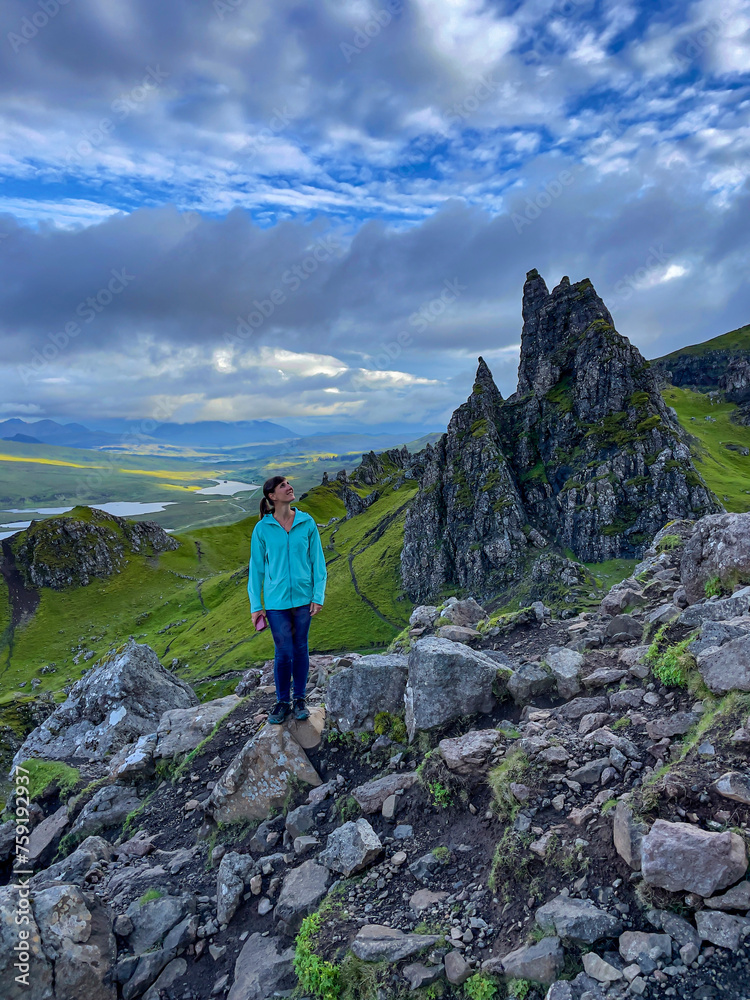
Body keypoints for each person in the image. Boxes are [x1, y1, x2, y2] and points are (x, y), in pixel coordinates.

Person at [248, 475, 327, 724]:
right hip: (275, 603)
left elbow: (318, 562)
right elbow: (256, 570)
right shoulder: (262, 528)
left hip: (304, 598)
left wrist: (318, 595)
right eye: (282, 485)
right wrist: (256, 606)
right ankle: (282, 702)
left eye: (289, 484)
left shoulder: (307, 522)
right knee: (284, 652)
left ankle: (300, 699)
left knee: (301, 648)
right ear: (272, 496)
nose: (289, 487)